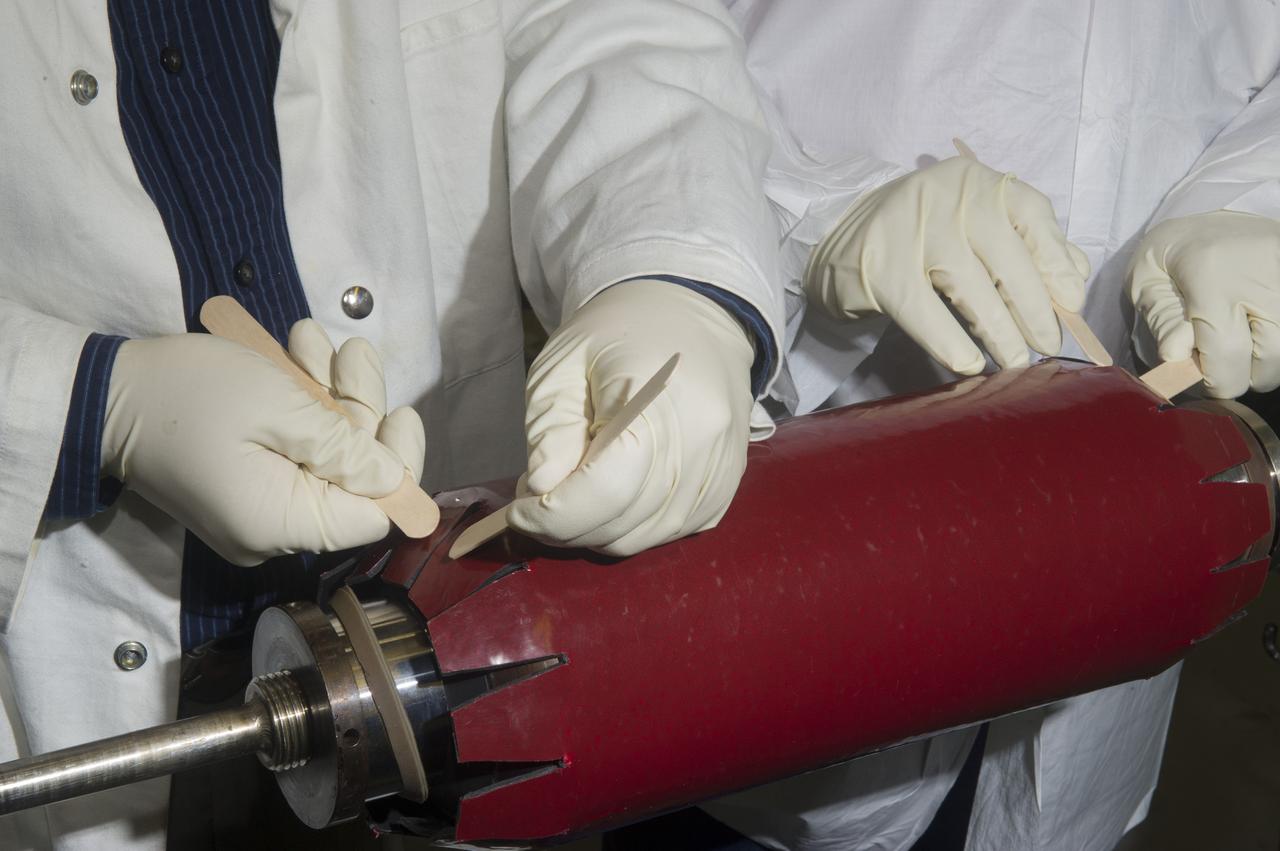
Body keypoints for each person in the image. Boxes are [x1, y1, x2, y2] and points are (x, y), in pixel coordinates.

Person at [0, 2, 784, 848]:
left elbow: (606, 24)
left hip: (450, 676)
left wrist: (672, 274)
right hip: (84, 687)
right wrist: (91, 403)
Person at [698, 2, 1280, 850]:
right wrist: (811, 219)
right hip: (786, 535)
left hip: (1120, 608)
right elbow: (628, 42)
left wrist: (1248, 203)